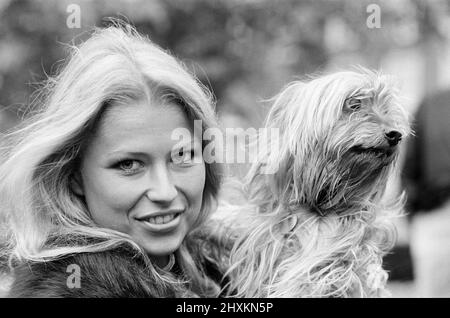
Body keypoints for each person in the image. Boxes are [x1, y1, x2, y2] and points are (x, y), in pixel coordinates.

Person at [0, 23, 224, 297]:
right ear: (74, 177)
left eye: (182, 156)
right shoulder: (71, 288)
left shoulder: (219, 262)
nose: (165, 191)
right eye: (129, 165)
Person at [402, 88, 450, 297]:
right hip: (435, 212)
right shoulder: (431, 105)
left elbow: (410, 168)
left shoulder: (432, 104)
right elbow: (410, 168)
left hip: (434, 214)